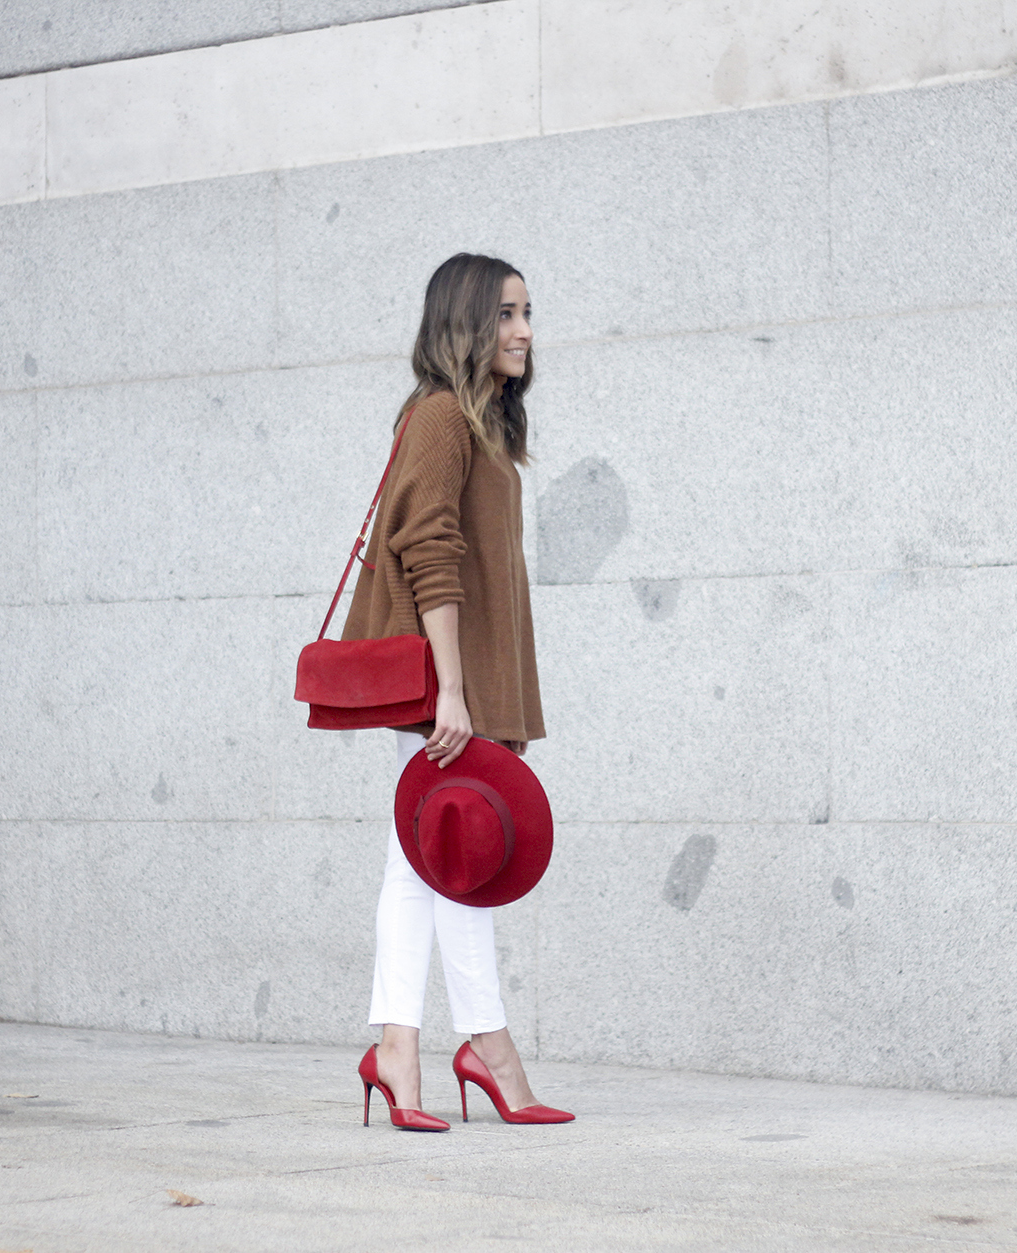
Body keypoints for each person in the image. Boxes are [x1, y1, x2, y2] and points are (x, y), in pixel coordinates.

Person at [341, 253, 572, 1131]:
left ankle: (404, 1049)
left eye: (526, 313)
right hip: (446, 689)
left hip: (466, 685)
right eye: (507, 314)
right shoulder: (439, 415)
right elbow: (425, 548)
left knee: (428, 865)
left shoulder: (482, 426)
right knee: (457, 864)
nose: (523, 330)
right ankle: (483, 1050)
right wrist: (452, 691)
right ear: (467, 322)